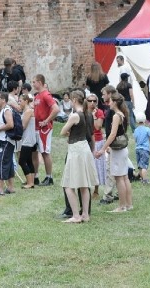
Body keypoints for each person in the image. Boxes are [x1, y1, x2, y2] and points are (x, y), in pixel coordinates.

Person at [60, 90, 98, 223]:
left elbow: (62, 131)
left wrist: (69, 132)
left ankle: (76, 215)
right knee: (84, 184)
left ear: (74, 100)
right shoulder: (88, 114)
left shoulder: (75, 115)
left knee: (68, 184)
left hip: (76, 150)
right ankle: (85, 214)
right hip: (84, 148)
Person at [94, 93, 133, 213]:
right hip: (123, 149)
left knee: (119, 178)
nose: (108, 103)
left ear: (115, 102)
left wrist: (103, 148)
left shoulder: (116, 116)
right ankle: (128, 204)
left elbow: (112, 134)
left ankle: (121, 206)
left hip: (118, 150)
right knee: (124, 177)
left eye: (110, 101)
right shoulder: (122, 114)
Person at [33, 74, 59, 186]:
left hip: (44, 128)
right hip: (37, 127)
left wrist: (47, 121)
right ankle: (37, 176)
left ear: (39, 82)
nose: (33, 84)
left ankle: (49, 177)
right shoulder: (37, 96)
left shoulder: (46, 95)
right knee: (40, 152)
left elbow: (56, 109)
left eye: (34, 82)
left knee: (45, 152)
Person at [0, 92, 16, 196]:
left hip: (6, 140)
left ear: (3, 100)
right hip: (6, 141)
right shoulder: (4, 110)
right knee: (9, 163)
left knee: (1, 163)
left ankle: (0, 189)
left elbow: (10, 124)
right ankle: (11, 187)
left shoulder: (6, 110)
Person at [99, 85, 118, 205]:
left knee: (110, 169)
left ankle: (108, 195)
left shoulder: (113, 111)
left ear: (110, 94)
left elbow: (113, 131)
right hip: (115, 142)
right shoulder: (114, 109)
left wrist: (107, 145)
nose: (102, 96)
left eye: (104, 94)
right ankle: (118, 193)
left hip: (113, 142)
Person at [87, 94, 105, 199]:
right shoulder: (84, 111)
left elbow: (98, 126)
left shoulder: (99, 112)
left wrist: (93, 117)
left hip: (97, 141)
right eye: (90, 101)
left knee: (97, 166)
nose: (92, 103)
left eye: (94, 101)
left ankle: (96, 190)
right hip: (86, 140)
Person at [19, 94, 37, 189]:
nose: (19, 103)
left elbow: (24, 126)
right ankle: (31, 182)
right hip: (28, 138)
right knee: (29, 160)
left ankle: (30, 183)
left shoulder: (28, 111)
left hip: (28, 139)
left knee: (22, 161)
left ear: (26, 101)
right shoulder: (26, 111)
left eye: (20, 101)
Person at [133, 111, 150, 184]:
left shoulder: (136, 130)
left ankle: (142, 178)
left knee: (140, 166)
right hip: (145, 150)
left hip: (137, 149)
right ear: (145, 120)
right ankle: (145, 180)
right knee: (144, 166)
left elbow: (135, 139)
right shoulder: (147, 129)